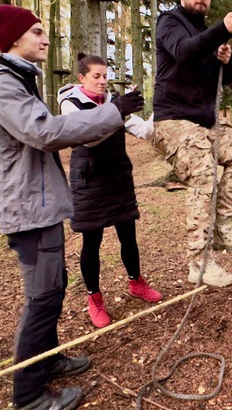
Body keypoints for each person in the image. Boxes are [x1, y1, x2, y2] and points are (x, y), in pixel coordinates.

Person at [0, 5, 144, 410]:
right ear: (13, 41)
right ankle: (27, 397)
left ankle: (47, 360)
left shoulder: (20, 82)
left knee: (55, 286)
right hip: (27, 210)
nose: (46, 39)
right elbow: (46, 133)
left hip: (40, 206)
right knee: (43, 297)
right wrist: (114, 111)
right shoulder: (4, 88)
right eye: (36, 31)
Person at [152, 0, 232, 288]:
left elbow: (224, 77)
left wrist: (225, 59)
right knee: (203, 172)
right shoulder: (169, 22)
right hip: (174, 121)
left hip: (205, 121)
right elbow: (184, 51)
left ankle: (223, 226)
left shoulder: (207, 34)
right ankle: (199, 262)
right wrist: (221, 31)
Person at [58, 52, 162, 329]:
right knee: (92, 243)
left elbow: (143, 131)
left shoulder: (111, 103)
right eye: (96, 76)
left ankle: (136, 282)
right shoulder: (70, 104)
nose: (103, 81)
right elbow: (88, 138)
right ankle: (94, 298)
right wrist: (118, 110)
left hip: (117, 177)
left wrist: (162, 107)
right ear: (82, 78)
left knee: (128, 235)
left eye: (105, 76)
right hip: (89, 181)